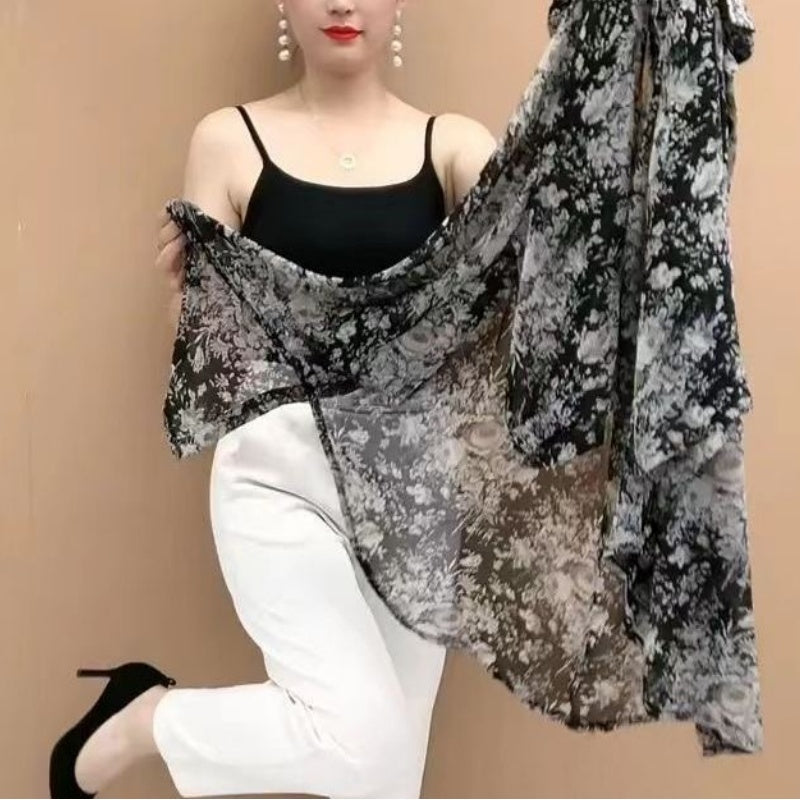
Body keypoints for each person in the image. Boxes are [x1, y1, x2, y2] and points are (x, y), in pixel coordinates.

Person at [53, 1, 498, 797]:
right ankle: (144, 721)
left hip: (416, 490)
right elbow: (207, 362)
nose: (342, 3)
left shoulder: (456, 147)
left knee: (386, 781)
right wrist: (191, 296)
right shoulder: (229, 139)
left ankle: (146, 713)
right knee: (365, 745)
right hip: (279, 477)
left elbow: (522, 301)